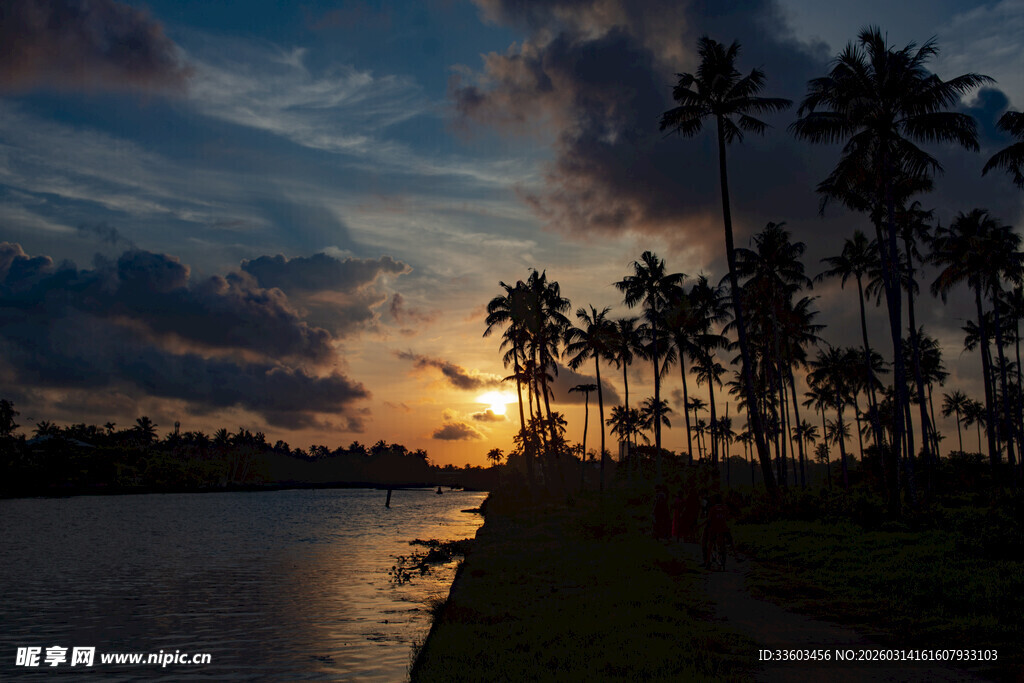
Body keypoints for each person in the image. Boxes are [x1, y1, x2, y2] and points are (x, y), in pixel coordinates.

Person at [701, 493, 732, 567]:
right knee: (728, 541)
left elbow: (708, 520)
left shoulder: (713, 508)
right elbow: (728, 517)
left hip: (713, 528)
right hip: (723, 528)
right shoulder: (724, 508)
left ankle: (707, 561)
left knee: (708, 543)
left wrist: (700, 525)